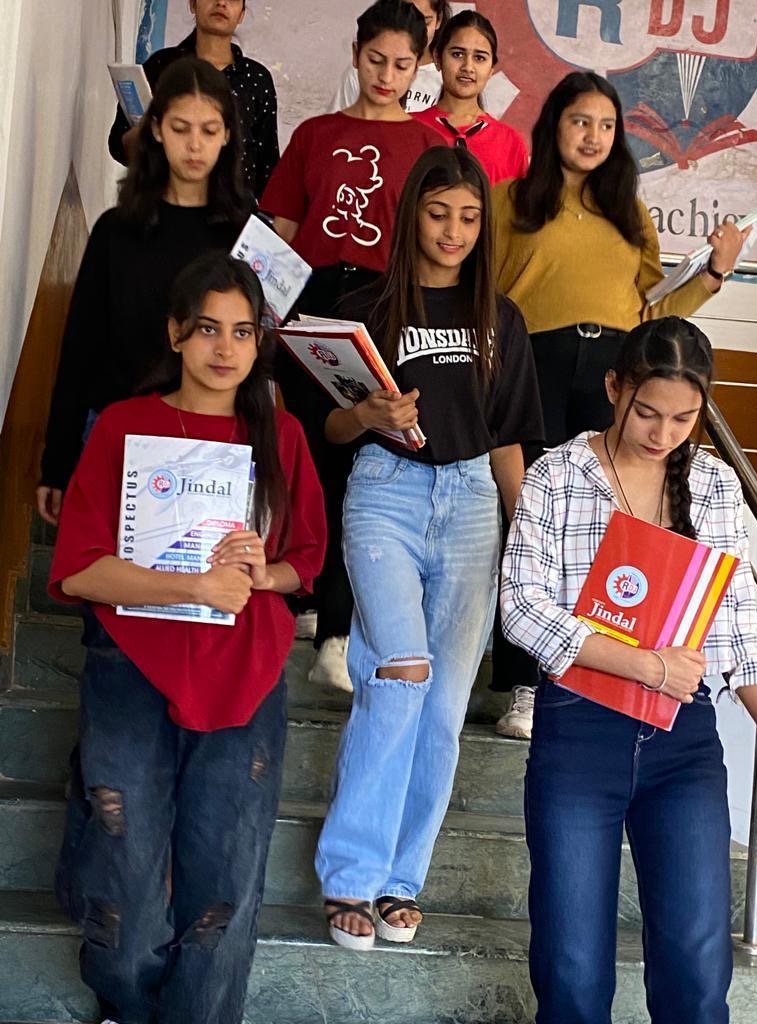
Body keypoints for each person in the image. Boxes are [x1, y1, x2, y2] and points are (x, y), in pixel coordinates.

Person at [47, 253, 326, 1024]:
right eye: (207, 328)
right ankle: (128, 1005)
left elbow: (305, 561)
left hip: (245, 673)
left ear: (259, 341)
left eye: (242, 331)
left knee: (225, 880)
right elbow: (79, 571)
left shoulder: (282, 436)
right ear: (175, 333)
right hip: (131, 667)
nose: (224, 348)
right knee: (126, 874)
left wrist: (262, 574)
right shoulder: (123, 426)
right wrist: (194, 587)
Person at [501, 316, 757, 1024]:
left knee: (697, 970)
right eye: (648, 412)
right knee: (571, 970)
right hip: (578, 737)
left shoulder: (714, 485)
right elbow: (521, 608)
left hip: (683, 744)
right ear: (614, 387)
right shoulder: (558, 474)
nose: (663, 433)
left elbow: (737, 623)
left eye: (684, 418)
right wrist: (647, 665)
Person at [313, 145, 543, 949]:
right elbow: (331, 427)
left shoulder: (501, 319)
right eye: (439, 213)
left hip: (475, 500)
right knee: (400, 671)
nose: (453, 231)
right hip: (387, 490)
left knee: (443, 708)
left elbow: (509, 440)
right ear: (412, 213)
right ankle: (351, 874)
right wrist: (367, 416)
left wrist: (524, 539)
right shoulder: (364, 309)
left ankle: (401, 880)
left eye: (470, 217)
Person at [490, 70, 747, 739]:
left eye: (607, 126)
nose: (593, 136)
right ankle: (524, 684)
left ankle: (609, 667)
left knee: (606, 530)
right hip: (534, 361)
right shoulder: (508, 200)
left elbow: (653, 312)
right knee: (530, 521)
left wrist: (716, 272)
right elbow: (484, 296)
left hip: (614, 373)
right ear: (553, 125)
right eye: (580, 121)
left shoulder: (628, 213)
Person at [261, 0, 441, 690]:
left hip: (380, 310)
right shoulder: (315, 133)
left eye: (401, 64)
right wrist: (262, 320)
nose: (386, 75)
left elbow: (431, 244)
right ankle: (294, 600)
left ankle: (336, 633)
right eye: (375, 60)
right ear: (356, 53)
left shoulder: (427, 146)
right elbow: (282, 230)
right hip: (307, 304)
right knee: (304, 454)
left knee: (358, 462)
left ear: (419, 66)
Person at [38, 56, 251, 522]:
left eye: (209, 130)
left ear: (228, 136)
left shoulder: (245, 237)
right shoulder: (116, 231)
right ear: (155, 129)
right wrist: (57, 461)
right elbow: (80, 348)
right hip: (114, 432)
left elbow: (259, 354)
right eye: (180, 128)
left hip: (211, 447)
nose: (194, 145)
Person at [109, 0, 278, 202]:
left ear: (242, 14)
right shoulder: (161, 66)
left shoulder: (256, 80)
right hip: (164, 209)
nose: (221, 3)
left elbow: (269, 170)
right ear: (192, 4)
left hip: (233, 214)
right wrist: (144, 138)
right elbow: (118, 143)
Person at [411, 10, 527, 185]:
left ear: (491, 69)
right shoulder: (409, 129)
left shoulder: (511, 143)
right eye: (457, 54)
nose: (468, 67)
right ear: (438, 58)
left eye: (479, 58)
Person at [329, 0, 451, 114]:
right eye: (375, 60)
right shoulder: (360, 73)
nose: (386, 78)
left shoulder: (448, 75)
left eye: (402, 66)